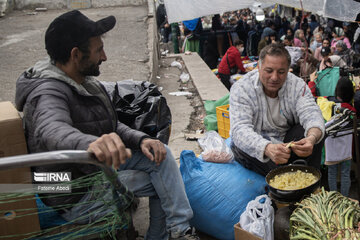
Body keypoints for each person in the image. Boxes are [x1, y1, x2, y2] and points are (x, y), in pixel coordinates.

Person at [15, 10, 198, 240]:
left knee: (161, 155)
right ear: (75, 54)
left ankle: (180, 231)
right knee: (164, 186)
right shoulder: (48, 92)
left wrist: (141, 139)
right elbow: (51, 129)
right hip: (73, 190)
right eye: (98, 50)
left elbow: (112, 124)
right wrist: (92, 142)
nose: (105, 57)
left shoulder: (85, 82)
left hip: (96, 168)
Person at [229, 43, 325, 176]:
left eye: (281, 72)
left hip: (285, 141)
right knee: (277, 172)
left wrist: (312, 138)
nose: (274, 77)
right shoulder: (242, 88)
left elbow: (311, 113)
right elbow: (239, 129)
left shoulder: (297, 85)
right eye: (269, 71)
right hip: (258, 143)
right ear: (259, 67)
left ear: (288, 70)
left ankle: (312, 180)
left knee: (316, 133)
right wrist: (266, 148)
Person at [324, 77, 356, 197]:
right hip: (346, 150)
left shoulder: (331, 107)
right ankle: (345, 199)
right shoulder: (352, 110)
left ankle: (334, 199)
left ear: (337, 91)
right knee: (345, 174)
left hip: (332, 150)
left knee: (332, 174)